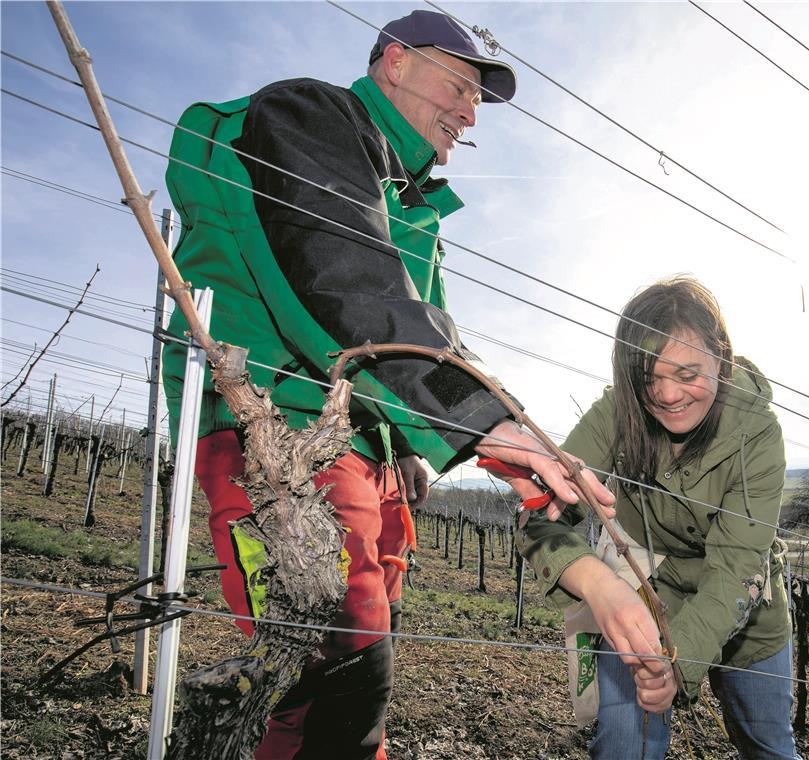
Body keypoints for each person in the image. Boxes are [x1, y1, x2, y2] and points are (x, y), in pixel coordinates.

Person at [161, 10, 612, 760]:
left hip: (366, 444)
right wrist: (484, 425)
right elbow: (347, 281)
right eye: (461, 85)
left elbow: (427, 328)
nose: (471, 114)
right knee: (334, 667)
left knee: (362, 661)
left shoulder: (413, 204)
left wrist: (414, 443)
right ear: (395, 62)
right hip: (280, 431)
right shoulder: (304, 115)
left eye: (477, 100)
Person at [517, 277, 801, 759]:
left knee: (768, 747)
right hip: (641, 598)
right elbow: (541, 516)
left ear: (722, 358)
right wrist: (600, 587)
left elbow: (736, 566)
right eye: (649, 378)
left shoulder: (758, 432)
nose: (667, 395)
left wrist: (677, 664)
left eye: (688, 374)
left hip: (747, 608)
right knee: (625, 747)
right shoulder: (617, 412)